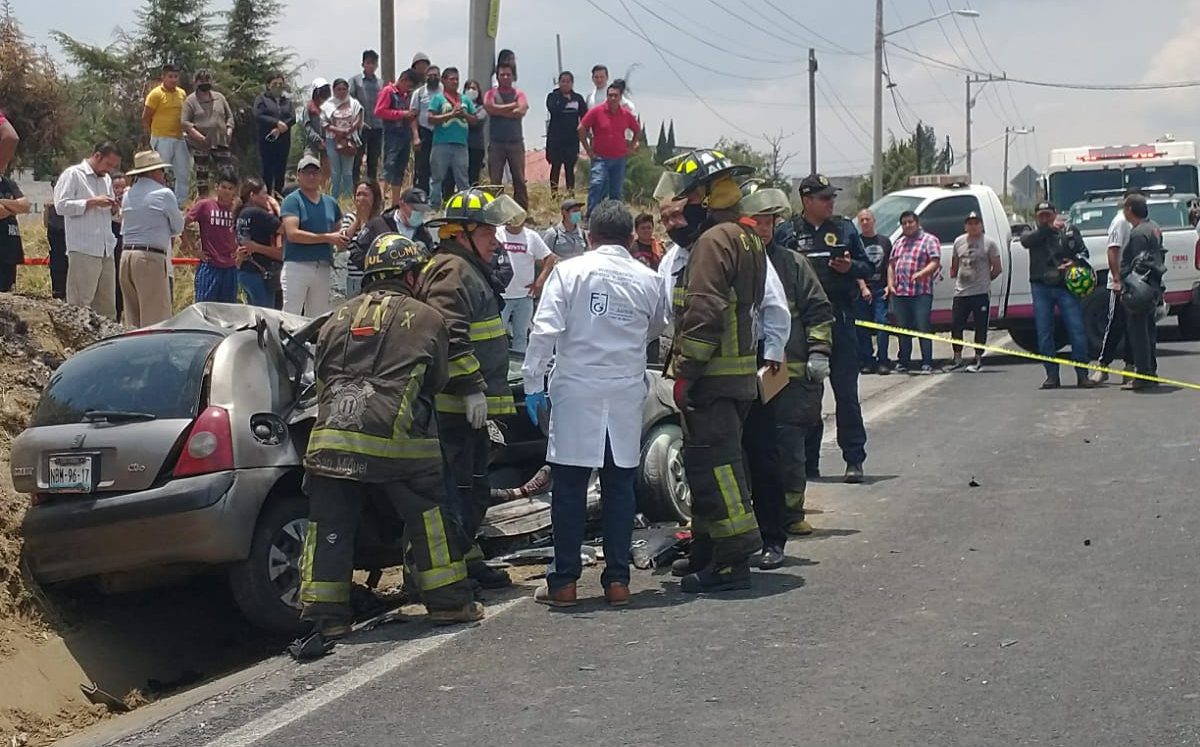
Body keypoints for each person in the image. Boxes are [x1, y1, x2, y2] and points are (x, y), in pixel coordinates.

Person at [300, 233, 483, 636]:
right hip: (397, 441)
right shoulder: (426, 317)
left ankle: (324, 619)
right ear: (412, 275)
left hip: (330, 439)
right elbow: (436, 379)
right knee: (428, 516)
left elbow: (322, 376)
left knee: (329, 524)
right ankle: (449, 603)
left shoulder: (335, 317)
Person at [523, 200, 666, 607]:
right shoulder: (648, 278)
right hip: (623, 390)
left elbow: (544, 330)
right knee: (619, 484)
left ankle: (564, 582)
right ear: (629, 236)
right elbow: (656, 325)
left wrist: (533, 383)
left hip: (576, 390)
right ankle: (618, 581)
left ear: (589, 235)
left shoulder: (569, 272)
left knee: (568, 486)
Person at [665, 149, 773, 593]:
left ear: (708, 196)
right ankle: (708, 548)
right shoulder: (745, 236)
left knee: (717, 469)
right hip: (737, 376)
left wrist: (686, 372)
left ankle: (731, 560)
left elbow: (705, 311)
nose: (683, 204)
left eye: (689, 194)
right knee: (710, 464)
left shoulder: (712, 242)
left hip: (712, 378)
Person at [415, 188, 526, 589]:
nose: (495, 241)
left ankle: (468, 556)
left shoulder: (465, 268)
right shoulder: (451, 270)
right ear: (462, 234)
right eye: (488, 233)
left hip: (467, 406)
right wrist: (471, 388)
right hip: (454, 407)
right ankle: (450, 572)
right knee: (459, 489)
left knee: (473, 487)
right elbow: (448, 333)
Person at [739, 184, 832, 568]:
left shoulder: (793, 264)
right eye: (758, 221)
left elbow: (819, 311)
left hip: (790, 377)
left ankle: (790, 514)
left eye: (769, 221)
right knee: (752, 453)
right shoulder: (737, 260)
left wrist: (819, 352)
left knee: (788, 449)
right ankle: (755, 522)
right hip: (746, 375)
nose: (764, 228)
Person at [775, 174, 873, 483]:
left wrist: (850, 268)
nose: (831, 202)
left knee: (846, 395)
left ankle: (854, 460)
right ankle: (808, 463)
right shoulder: (787, 232)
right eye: (825, 198)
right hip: (802, 328)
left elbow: (869, 267)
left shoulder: (844, 228)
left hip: (839, 321)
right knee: (806, 396)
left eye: (832, 197)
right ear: (807, 200)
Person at [1019, 201, 1094, 389]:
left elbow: (1084, 253)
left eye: (1048, 214)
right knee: (1044, 332)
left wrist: (1073, 262)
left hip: (1065, 286)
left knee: (1076, 329)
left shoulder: (1069, 230)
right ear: (1036, 217)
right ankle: (1051, 375)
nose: (1045, 218)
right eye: (1041, 215)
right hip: (1040, 286)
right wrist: (1047, 229)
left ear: (1055, 213)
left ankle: (1082, 374)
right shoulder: (1032, 232)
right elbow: (1026, 241)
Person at [55, 142, 122, 319]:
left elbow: (110, 214)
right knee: (80, 305)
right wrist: (91, 202)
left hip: (106, 249)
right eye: (108, 164)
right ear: (97, 156)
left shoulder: (106, 179)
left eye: (113, 167)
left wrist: (114, 208)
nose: (109, 170)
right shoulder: (73, 175)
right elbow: (61, 206)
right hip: (83, 248)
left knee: (107, 307)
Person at [119, 150, 183, 327]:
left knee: (133, 318)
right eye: (161, 170)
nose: (164, 174)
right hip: (150, 256)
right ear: (154, 172)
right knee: (156, 318)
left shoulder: (128, 194)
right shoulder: (164, 194)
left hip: (127, 256)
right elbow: (178, 226)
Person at [280, 155, 346, 316]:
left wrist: (356, 223)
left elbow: (340, 233)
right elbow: (293, 234)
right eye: (307, 173)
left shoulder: (330, 203)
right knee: (291, 315)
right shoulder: (292, 201)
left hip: (322, 266)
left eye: (315, 173)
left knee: (317, 317)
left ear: (321, 175)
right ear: (299, 175)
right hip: (297, 265)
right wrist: (327, 238)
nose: (311, 177)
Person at [1118, 193, 1166, 390]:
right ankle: (1150, 371)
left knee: (1139, 332)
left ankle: (1143, 374)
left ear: (1130, 209)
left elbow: (1139, 263)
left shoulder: (1138, 233)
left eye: (1125, 208)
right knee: (1149, 330)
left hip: (1141, 287)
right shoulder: (1153, 226)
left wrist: (1125, 280)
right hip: (1153, 284)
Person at [887, 210, 941, 374]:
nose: (907, 225)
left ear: (917, 223)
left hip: (921, 293)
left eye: (910, 222)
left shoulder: (929, 240)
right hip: (901, 293)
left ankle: (927, 362)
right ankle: (904, 361)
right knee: (903, 329)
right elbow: (891, 265)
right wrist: (890, 284)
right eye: (904, 223)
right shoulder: (899, 243)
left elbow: (935, 262)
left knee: (923, 327)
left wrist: (921, 273)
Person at [948, 211, 1001, 372]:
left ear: (981, 225)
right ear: (965, 226)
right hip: (961, 292)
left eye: (976, 223)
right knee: (956, 325)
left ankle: (978, 358)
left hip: (980, 292)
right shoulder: (958, 241)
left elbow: (997, 268)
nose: (973, 226)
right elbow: (954, 265)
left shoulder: (989, 243)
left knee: (980, 326)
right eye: (970, 223)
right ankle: (957, 357)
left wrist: (985, 281)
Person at [578, 82, 640, 217]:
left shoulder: (625, 114)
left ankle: (615, 219)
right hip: (600, 157)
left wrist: (631, 146)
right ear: (607, 96)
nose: (612, 98)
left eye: (615, 96)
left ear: (620, 97)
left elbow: (636, 129)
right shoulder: (597, 111)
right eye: (610, 95)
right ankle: (591, 216)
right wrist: (588, 149)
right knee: (597, 184)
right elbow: (581, 128)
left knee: (616, 191)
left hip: (619, 158)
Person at [184, 169, 240, 303]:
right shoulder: (205, 205)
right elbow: (182, 224)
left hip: (230, 267)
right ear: (217, 187)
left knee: (228, 311)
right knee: (204, 308)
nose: (226, 191)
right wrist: (193, 250)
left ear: (235, 190)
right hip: (210, 265)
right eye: (223, 187)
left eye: (230, 188)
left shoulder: (238, 209)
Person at [1092, 206, 1134, 384]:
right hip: (1120, 282)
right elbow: (1113, 251)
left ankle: (1130, 367)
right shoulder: (1121, 222)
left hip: (1135, 281)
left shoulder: (1137, 223)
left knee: (1133, 327)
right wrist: (1116, 279)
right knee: (1114, 324)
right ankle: (1103, 366)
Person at [500, 219, 554, 353]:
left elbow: (549, 258)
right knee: (498, 337)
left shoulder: (532, 236)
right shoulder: (497, 233)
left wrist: (540, 281)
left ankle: (518, 370)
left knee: (521, 336)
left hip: (524, 296)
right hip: (501, 296)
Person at [428, 67, 479, 208]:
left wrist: (464, 115)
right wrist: (450, 115)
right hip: (441, 143)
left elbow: (475, 120)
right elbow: (431, 118)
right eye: (451, 79)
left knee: (463, 178)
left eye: (457, 79)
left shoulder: (465, 99)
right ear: (443, 81)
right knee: (437, 177)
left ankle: (466, 206)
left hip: (461, 144)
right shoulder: (438, 98)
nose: (455, 82)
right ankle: (435, 205)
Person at [181, 69, 235, 199]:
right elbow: (185, 122)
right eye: (201, 80)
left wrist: (229, 131)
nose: (205, 82)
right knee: (202, 176)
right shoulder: (190, 100)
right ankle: (203, 202)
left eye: (207, 80)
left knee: (227, 172)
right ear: (195, 82)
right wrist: (199, 137)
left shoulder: (219, 97)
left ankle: (227, 199)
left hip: (221, 141)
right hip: (200, 143)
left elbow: (230, 117)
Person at [142, 63, 190, 207]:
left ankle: (180, 203)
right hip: (161, 138)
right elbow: (146, 117)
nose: (173, 79)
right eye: (170, 76)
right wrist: (151, 136)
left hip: (179, 138)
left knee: (183, 171)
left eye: (175, 76)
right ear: (163, 77)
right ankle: (158, 200)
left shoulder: (181, 93)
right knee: (160, 171)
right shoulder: (156, 94)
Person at [484, 62, 530, 209]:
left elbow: (521, 110)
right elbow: (490, 108)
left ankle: (522, 210)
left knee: (519, 179)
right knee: (495, 181)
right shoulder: (491, 93)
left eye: (508, 74)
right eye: (502, 74)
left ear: (513, 76)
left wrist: (500, 110)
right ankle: (494, 210)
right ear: (497, 77)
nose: (505, 77)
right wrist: (511, 107)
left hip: (515, 143)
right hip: (496, 143)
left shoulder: (519, 94)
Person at [234, 177, 283, 308]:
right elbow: (284, 228)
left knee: (255, 313)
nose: (267, 197)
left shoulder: (241, 213)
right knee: (266, 314)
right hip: (259, 272)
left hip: (246, 270)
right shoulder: (257, 213)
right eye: (264, 193)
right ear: (252, 195)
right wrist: (277, 208)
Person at [375, 69, 420, 207]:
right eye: (408, 85)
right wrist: (401, 114)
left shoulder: (406, 96)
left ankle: (395, 202)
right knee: (389, 166)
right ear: (403, 80)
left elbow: (411, 116)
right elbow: (379, 111)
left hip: (404, 135)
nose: (409, 89)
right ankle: (380, 198)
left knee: (400, 168)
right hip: (392, 134)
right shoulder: (388, 91)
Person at [855, 208, 892, 374]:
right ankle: (867, 360)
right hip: (862, 291)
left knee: (882, 325)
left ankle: (883, 360)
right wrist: (863, 287)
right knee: (862, 327)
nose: (864, 222)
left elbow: (890, 265)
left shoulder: (885, 241)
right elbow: (854, 267)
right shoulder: (856, 242)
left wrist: (889, 285)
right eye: (861, 220)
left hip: (880, 290)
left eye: (867, 219)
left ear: (873, 221)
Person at [336, 180, 382, 298]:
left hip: (375, 278)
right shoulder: (350, 218)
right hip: (354, 279)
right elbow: (341, 244)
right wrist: (358, 219)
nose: (361, 198)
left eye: (365, 195)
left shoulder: (381, 220)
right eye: (358, 194)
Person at [253, 72, 295, 195]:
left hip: (283, 141)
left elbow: (292, 117)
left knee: (280, 171)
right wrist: (276, 123)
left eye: (280, 84)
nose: (277, 86)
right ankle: (266, 198)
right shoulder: (261, 99)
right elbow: (258, 115)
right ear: (268, 85)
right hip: (266, 140)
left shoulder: (287, 101)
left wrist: (283, 127)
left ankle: (279, 197)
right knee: (267, 171)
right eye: (274, 84)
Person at [322, 79, 363, 203]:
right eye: (338, 89)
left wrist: (349, 130)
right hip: (332, 140)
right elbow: (324, 123)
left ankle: (347, 198)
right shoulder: (328, 104)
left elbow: (359, 118)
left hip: (349, 140)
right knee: (335, 171)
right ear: (334, 90)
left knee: (347, 172)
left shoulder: (354, 103)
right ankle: (334, 198)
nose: (341, 92)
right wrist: (337, 130)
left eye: (344, 89)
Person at [545, 71, 587, 195]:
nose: (565, 84)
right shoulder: (553, 97)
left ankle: (570, 193)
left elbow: (585, 116)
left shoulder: (577, 98)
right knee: (556, 167)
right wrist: (564, 100)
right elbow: (554, 110)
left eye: (568, 81)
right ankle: (554, 194)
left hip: (571, 140)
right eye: (563, 81)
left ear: (572, 83)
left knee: (569, 169)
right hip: (556, 140)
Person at [349, 50, 383, 184]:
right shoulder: (355, 81)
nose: (371, 66)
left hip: (377, 126)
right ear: (363, 64)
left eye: (373, 63)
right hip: (360, 127)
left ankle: (372, 189)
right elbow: (349, 101)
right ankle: (355, 188)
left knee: (373, 160)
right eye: (368, 63)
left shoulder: (381, 83)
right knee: (356, 160)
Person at [410, 63, 439, 194]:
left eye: (435, 75)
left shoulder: (445, 91)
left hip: (441, 133)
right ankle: (421, 196)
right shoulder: (419, 92)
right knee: (422, 167)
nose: (433, 78)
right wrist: (416, 137)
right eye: (430, 75)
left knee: (439, 166)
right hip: (424, 132)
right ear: (425, 77)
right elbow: (413, 116)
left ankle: (438, 197)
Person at [0, 171, 29, 291]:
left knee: (8, 294)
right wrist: (14, 208)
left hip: (10, 250)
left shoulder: (9, 183)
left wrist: (2, 202)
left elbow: (25, 206)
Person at [462, 79, 488, 186]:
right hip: (461, 146)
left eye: (474, 88)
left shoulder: (482, 108)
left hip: (476, 147)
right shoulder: (459, 105)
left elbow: (477, 121)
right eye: (468, 88)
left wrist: (463, 115)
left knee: (473, 178)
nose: (471, 91)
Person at [110, 173, 128, 319]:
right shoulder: (108, 203)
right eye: (116, 187)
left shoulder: (131, 201)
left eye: (123, 187)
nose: (120, 191)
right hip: (112, 244)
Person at [44, 201, 68, 300]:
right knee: (59, 291)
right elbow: (46, 224)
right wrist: (47, 210)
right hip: (57, 253)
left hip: (74, 250)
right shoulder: (51, 206)